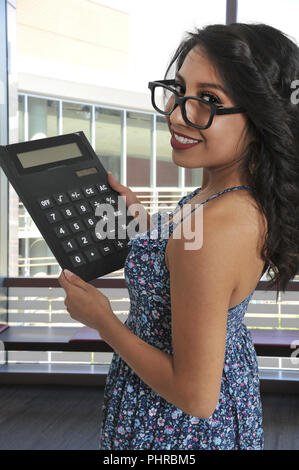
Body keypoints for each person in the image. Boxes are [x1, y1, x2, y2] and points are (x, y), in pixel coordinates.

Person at [58, 22, 299, 450]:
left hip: (178, 430)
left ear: (264, 116)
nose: (175, 113)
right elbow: (191, 269)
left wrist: (102, 320)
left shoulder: (220, 225)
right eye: (179, 91)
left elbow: (196, 398)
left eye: (209, 100)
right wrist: (148, 227)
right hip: (200, 401)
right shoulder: (223, 194)